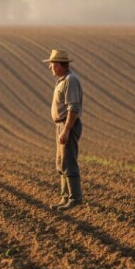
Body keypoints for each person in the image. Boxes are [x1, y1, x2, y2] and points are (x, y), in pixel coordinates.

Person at [43, 49, 83, 209]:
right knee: (61, 163)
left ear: (59, 65)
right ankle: (65, 197)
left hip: (68, 124)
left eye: (51, 65)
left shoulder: (70, 81)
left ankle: (75, 198)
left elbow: (73, 108)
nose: (50, 68)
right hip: (61, 124)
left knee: (68, 161)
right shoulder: (63, 80)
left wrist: (66, 130)